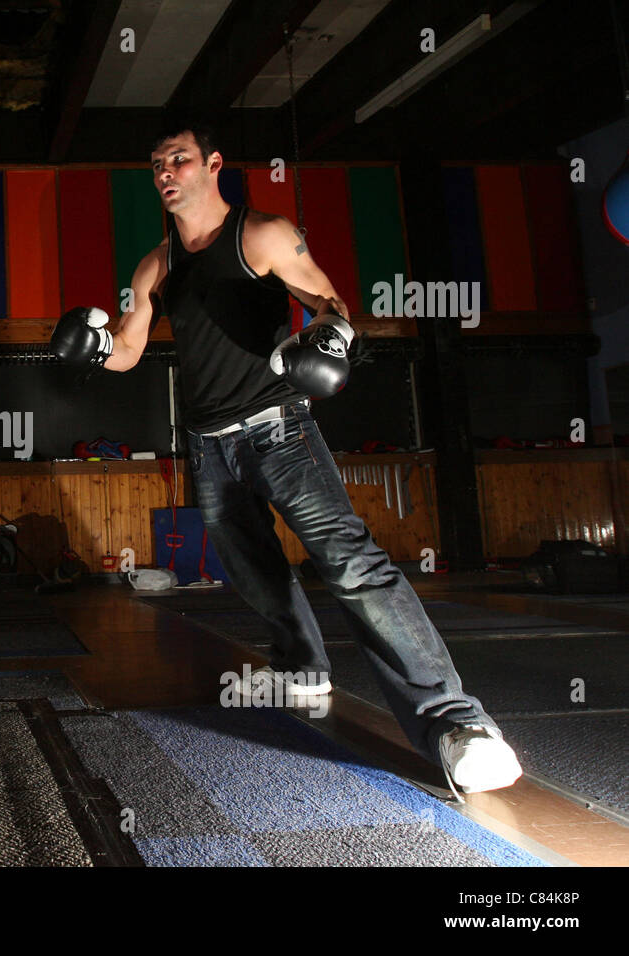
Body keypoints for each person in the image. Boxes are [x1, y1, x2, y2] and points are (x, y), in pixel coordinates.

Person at [50, 123, 523, 795]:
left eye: (179, 158)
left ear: (213, 165)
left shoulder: (262, 235)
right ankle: (303, 668)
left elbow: (331, 303)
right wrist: (91, 346)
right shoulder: (155, 266)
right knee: (254, 573)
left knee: (351, 565)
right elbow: (128, 348)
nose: (165, 170)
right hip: (210, 445)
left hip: (281, 431)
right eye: (156, 163)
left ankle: (457, 726)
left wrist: (331, 337)